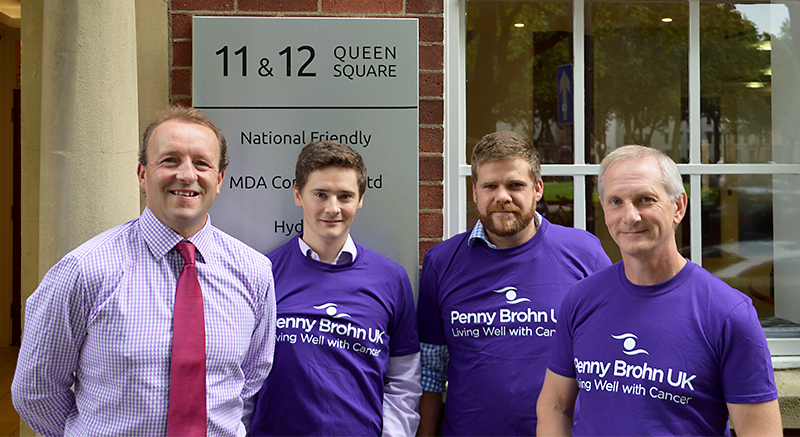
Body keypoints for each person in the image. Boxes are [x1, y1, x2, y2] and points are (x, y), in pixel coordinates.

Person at [12, 106, 277, 436]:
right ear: (142, 173)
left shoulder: (254, 272)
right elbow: (36, 391)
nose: (186, 174)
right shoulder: (83, 271)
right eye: (169, 160)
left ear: (219, 178)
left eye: (202, 163)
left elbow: (249, 379)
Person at [537, 145, 782, 436]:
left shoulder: (728, 314)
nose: (630, 216)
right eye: (616, 201)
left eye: (645, 199)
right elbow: (555, 406)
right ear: (604, 210)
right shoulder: (581, 299)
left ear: (678, 206)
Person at [416, 131, 612, 436]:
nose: (502, 196)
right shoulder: (441, 262)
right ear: (475, 192)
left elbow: (608, 358)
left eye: (515, 185)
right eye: (490, 186)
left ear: (537, 189)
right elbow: (430, 372)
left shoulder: (584, 254)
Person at [249, 140, 421, 436]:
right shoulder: (262, 272)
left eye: (345, 196)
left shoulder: (391, 279)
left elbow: (404, 378)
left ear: (360, 199)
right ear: (298, 194)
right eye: (320, 194)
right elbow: (242, 377)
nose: (333, 208)